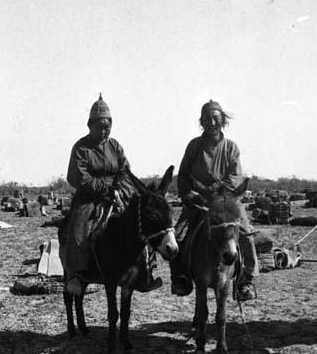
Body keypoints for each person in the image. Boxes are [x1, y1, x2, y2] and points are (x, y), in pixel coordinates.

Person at [64, 94, 162, 295]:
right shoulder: (81, 147)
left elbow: (125, 170)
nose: (104, 129)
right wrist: (104, 189)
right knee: (79, 228)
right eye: (100, 125)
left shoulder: (115, 146)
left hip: (119, 193)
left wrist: (118, 188)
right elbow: (79, 176)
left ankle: (145, 272)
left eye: (107, 125)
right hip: (89, 196)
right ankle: (78, 275)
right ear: (90, 125)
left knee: (143, 222)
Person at [170, 99, 258, 301]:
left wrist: (216, 188)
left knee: (246, 234)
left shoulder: (230, 147)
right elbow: (183, 175)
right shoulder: (194, 146)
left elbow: (236, 177)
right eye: (207, 119)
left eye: (216, 118)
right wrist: (188, 194)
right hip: (199, 202)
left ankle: (245, 280)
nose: (211, 122)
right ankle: (181, 278)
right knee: (178, 236)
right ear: (201, 122)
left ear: (223, 121)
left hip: (226, 203)